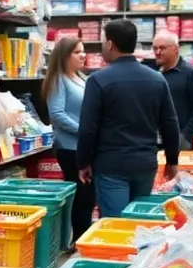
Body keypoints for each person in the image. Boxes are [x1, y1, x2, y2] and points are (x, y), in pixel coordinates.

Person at [77, 19, 180, 217]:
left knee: (115, 224)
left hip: (111, 165)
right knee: (139, 221)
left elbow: (88, 127)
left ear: (110, 44)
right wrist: (172, 160)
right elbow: (170, 123)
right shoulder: (157, 80)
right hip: (145, 164)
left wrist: (83, 162)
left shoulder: (98, 80)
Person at [42, 36, 95, 240]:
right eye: (77, 52)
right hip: (70, 148)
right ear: (64, 56)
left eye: (83, 51)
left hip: (84, 146)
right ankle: (79, 239)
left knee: (89, 197)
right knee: (82, 195)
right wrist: (84, 131)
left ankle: (83, 237)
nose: (83, 55)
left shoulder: (81, 78)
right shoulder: (58, 79)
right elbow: (57, 114)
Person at [152, 30, 193, 149]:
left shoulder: (189, 73)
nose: (157, 52)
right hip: (153, 141)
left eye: (162, 48)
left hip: (179, 141)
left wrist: (185, 135)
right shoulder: (152, 72)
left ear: (175, 49)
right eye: (155, 48)